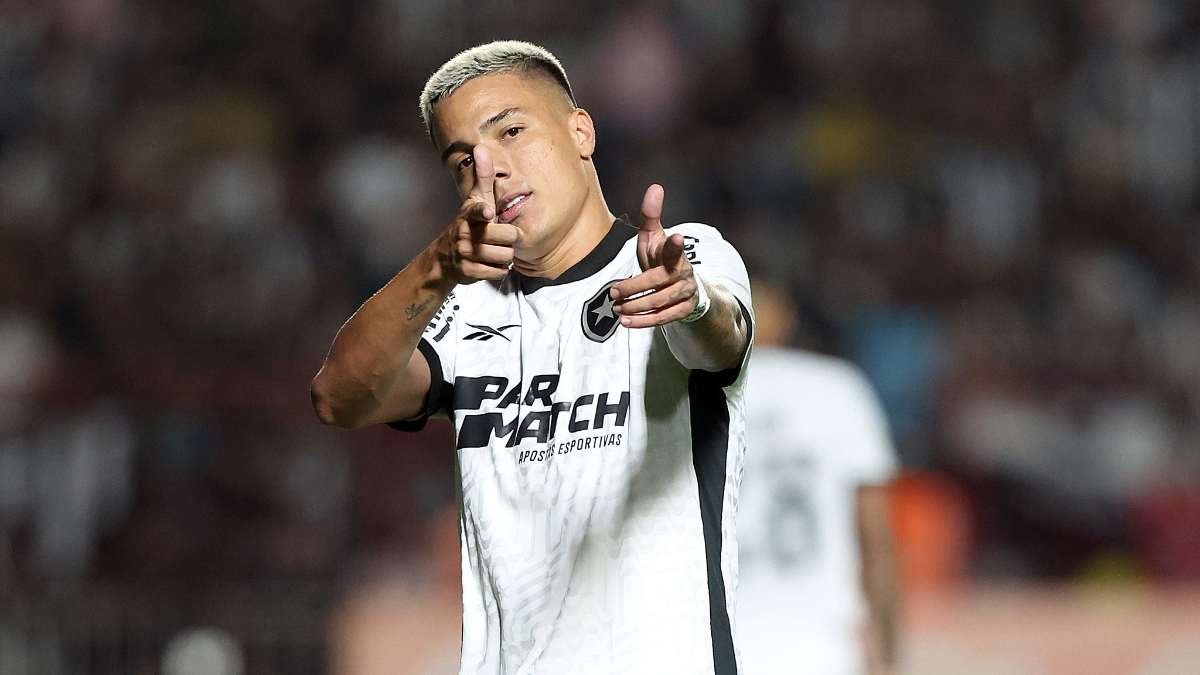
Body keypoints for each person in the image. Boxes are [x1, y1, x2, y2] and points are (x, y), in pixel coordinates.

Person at [311, 41, 754, 675]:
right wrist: (435, 269)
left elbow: (721, 337)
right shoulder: (464, 311)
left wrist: (690, 303)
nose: (490, 169)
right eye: (463, 161)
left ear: (581, 131)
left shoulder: (679, 258)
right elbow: (337, 397)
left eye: (511, 131)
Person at [734, 280, 900, 675]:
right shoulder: (836, 386)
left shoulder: (690, 387)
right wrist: (889, 652)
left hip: (712, 640)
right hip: (819, 643)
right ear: (786, 316)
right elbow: (875, 533)